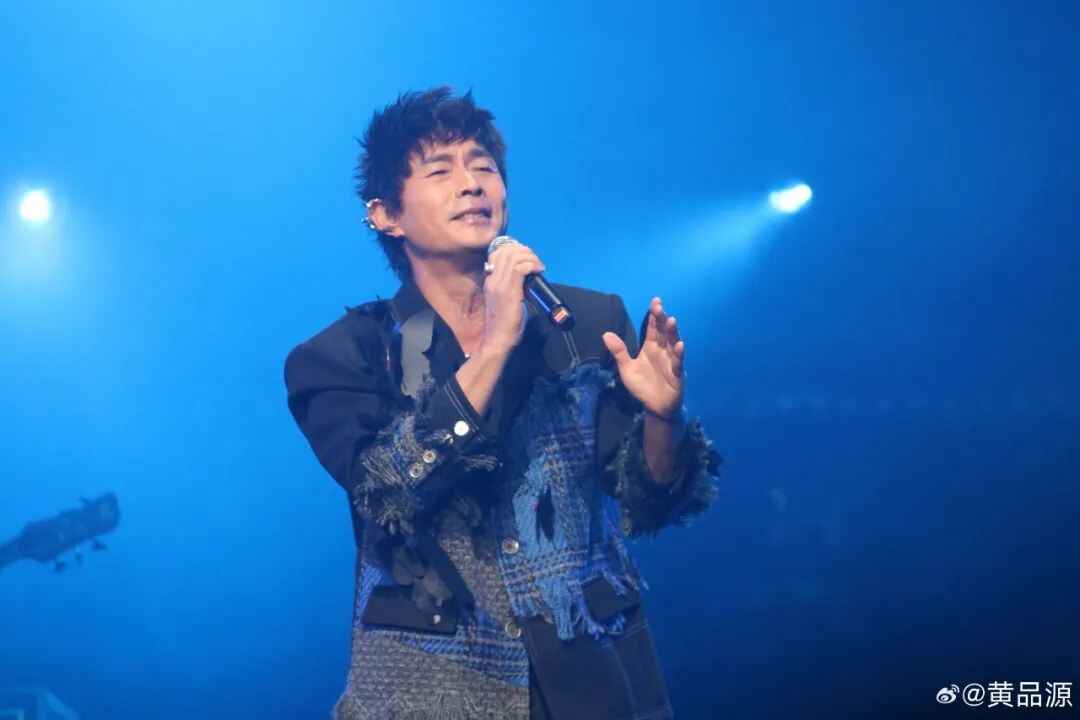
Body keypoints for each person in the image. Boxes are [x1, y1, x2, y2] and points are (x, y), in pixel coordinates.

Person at [284, 87, 722, 720]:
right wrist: (494, 346)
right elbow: (390, 490)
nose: (471, 184)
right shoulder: (346, 355)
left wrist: (663, 418)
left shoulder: (586, 322)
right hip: (432, 690)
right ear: (385, 214)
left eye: (483, 166)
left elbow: (650, 503)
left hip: (593, 678)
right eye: (441, 171)